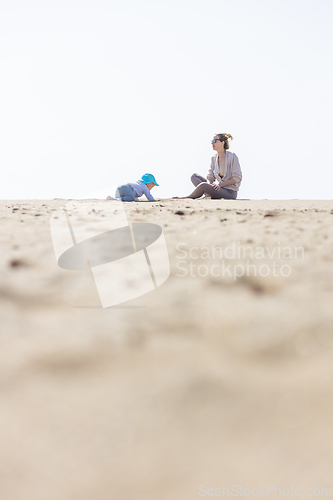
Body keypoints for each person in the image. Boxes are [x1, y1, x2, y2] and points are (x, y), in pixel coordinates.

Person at [176, 133, 242, 200]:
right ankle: (207, 193)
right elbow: (211, 177)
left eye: (214, 141)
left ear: (222, 143)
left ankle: (187, 197)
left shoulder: (232, 156)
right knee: (194, 176)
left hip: (229, 192)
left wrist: (220, 185)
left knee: (203, 185)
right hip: (218, 189)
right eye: (211, 141)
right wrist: (209, 184)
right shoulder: (214, 158)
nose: (212, 143)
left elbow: (237, 178)